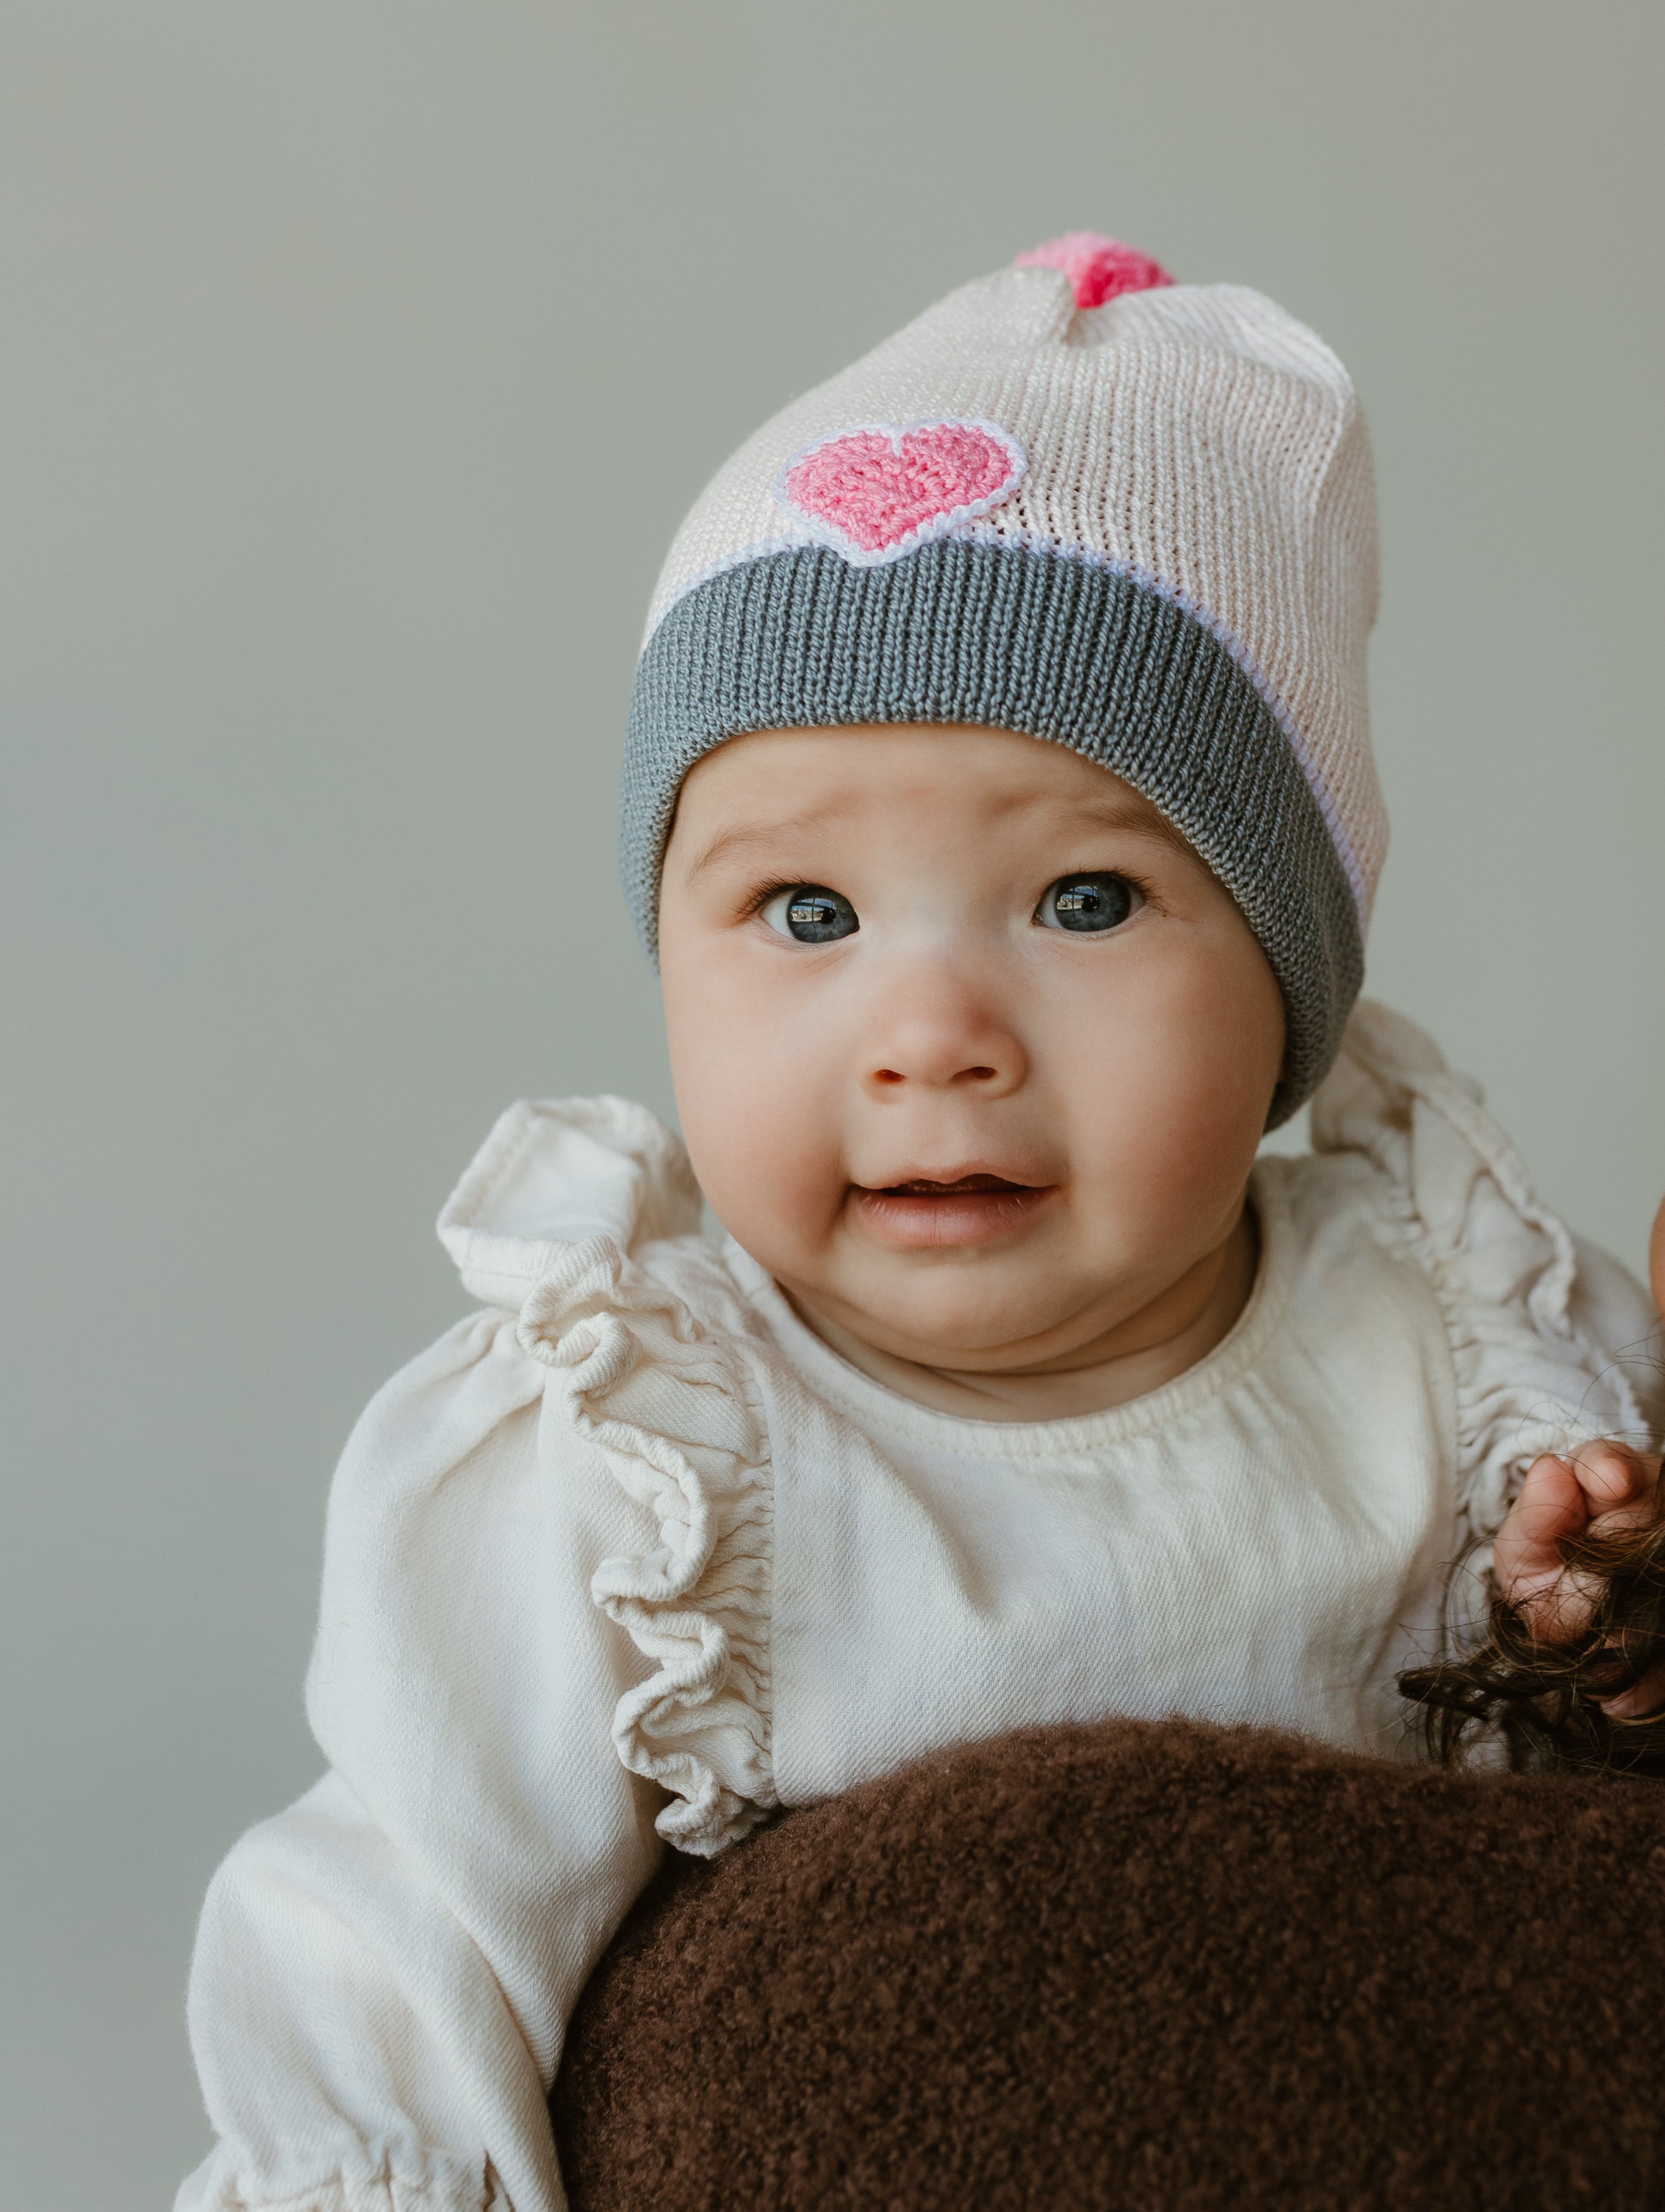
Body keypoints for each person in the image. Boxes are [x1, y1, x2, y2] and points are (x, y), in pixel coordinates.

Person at [175, 233, 1664, 2212]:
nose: (932, 1035)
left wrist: (1615, 1642)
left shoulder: (1472, 1350)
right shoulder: (628, 1464)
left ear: (1293, 978)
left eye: (1084, 902)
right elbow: (391, 1955)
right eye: (807, 915)